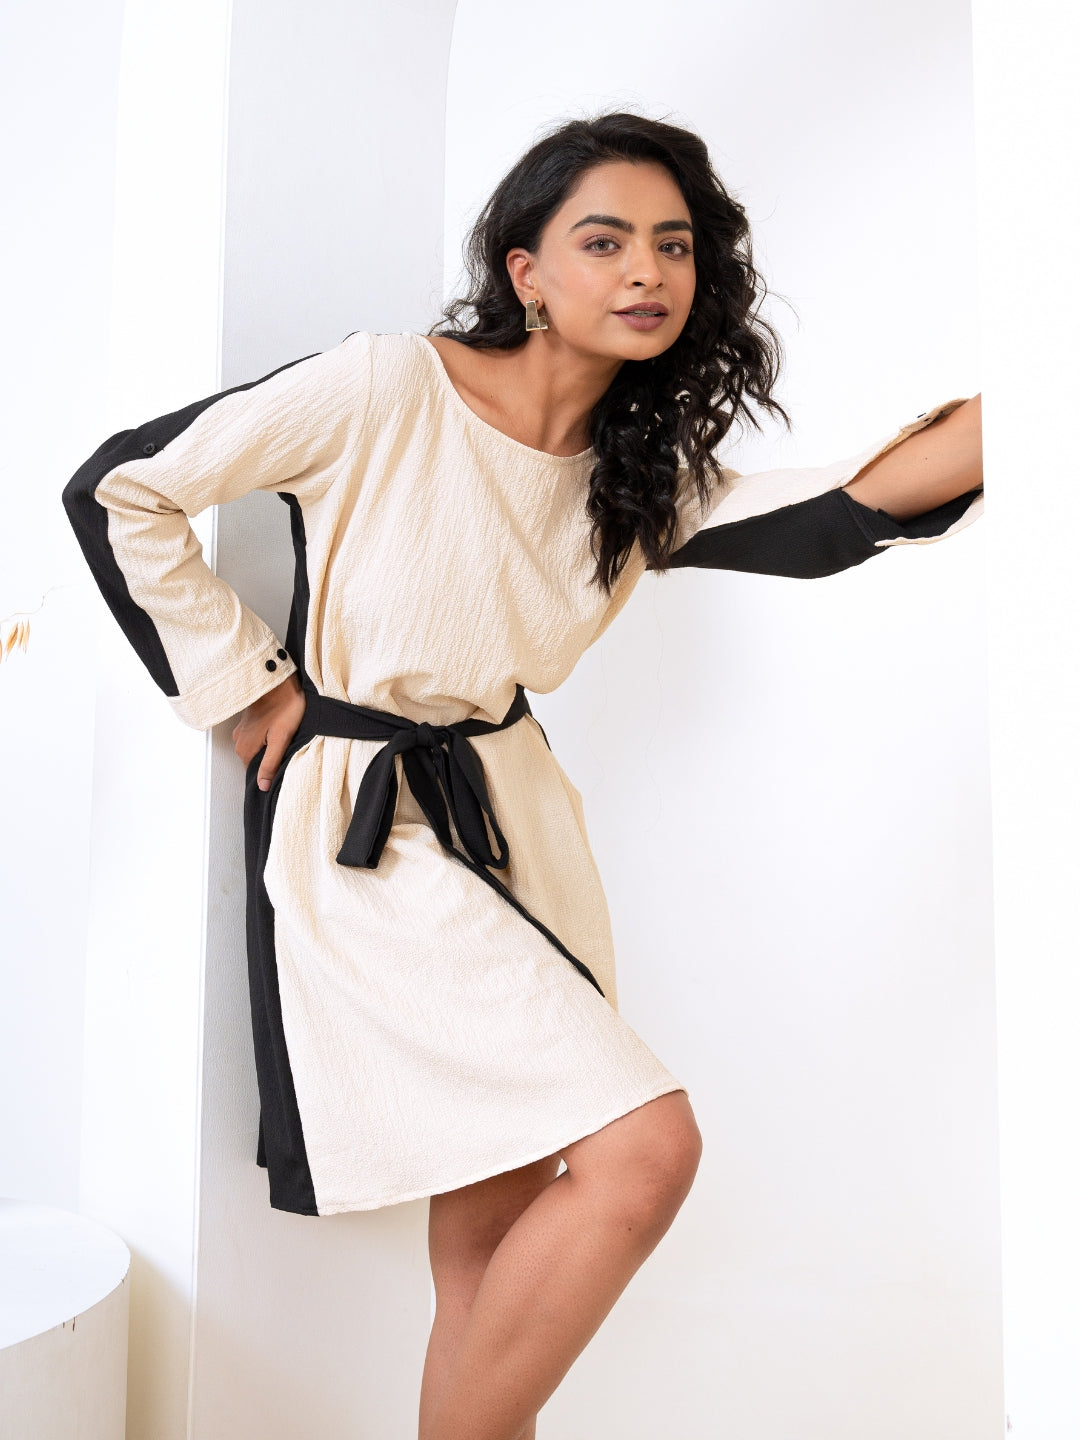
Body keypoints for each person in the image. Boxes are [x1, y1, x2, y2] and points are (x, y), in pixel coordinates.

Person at [62, 112, 983, 1440]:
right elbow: (123, 489)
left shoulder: (635, 471)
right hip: (374, 837)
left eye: (673, 245)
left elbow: (841, 507)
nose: (646, 270)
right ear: (524, 269)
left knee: (491, 1255)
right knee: (646, 1150)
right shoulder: (386, 386)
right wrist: (245, 678)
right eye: (604, 241)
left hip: (522, 831)